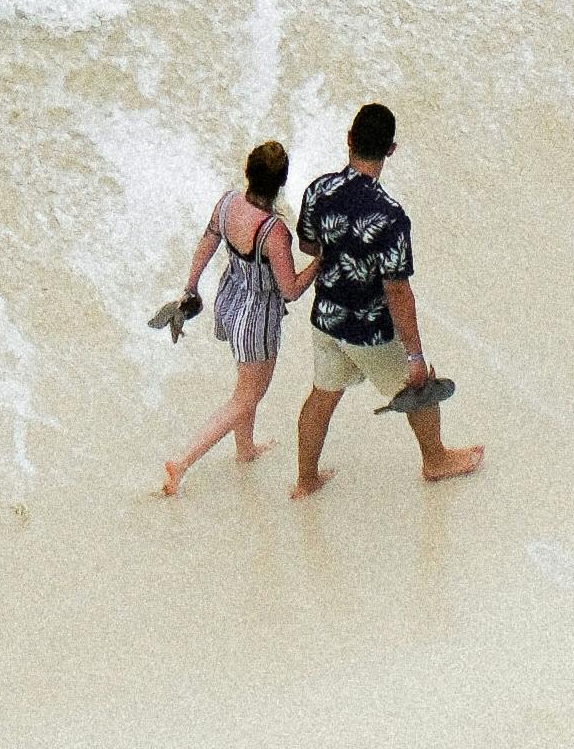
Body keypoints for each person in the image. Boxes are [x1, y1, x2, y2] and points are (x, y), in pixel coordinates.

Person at [292, 99, 482, 491]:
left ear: (349, 139)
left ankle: (306, 480)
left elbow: (309, 245)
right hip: (369, 332)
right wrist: (414, 354)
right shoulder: (390, 215)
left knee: (321, 397)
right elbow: (396, 288)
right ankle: (436, 460)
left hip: (326, 319)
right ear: (390, 149)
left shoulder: (318, 190)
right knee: (422, 387)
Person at [160, 140, 303, 490]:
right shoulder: (274, 232)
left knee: (245, 386)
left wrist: (190, 288)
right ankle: (182, 464)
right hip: (256, 318)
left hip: (230, 301)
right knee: (247, 396)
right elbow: (291, 290)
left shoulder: (227, 203)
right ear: (281, 183)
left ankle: (246, 449)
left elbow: (208, 242)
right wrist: (322, 261)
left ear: (247, 172)